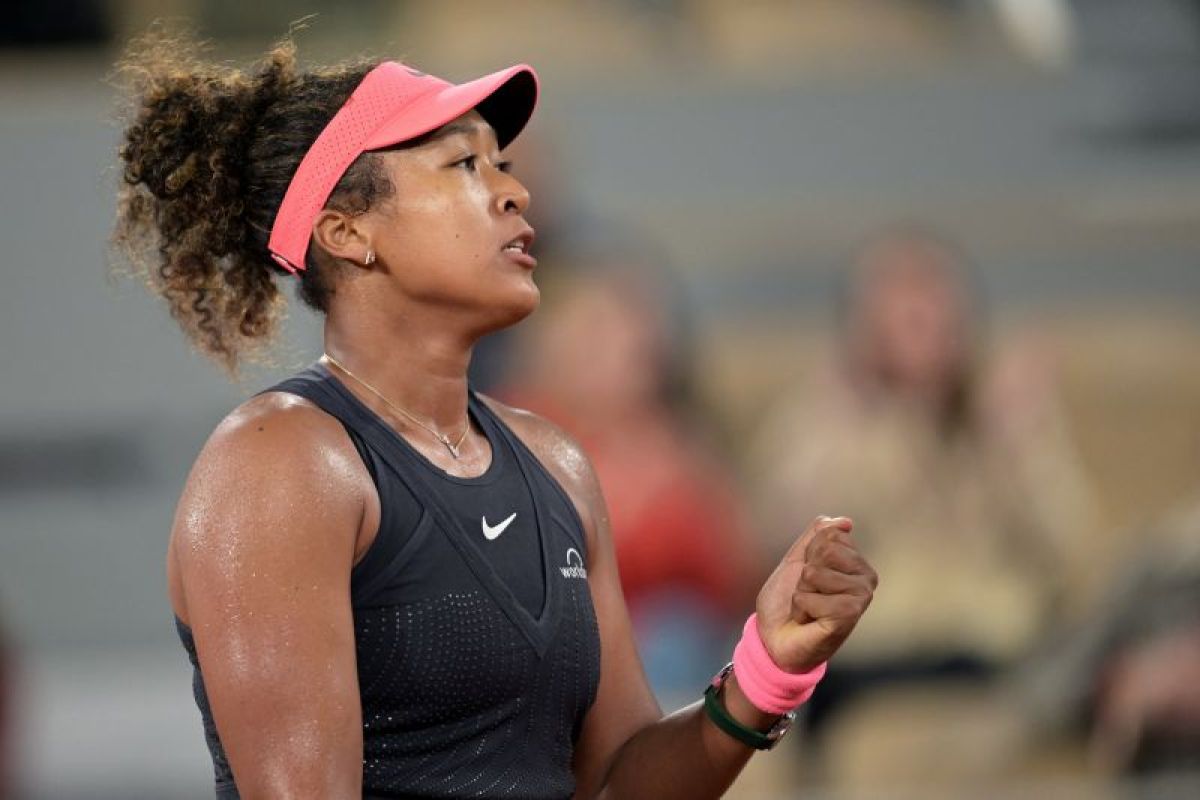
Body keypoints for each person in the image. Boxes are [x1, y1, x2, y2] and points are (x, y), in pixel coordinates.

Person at [112, 31, 877, 799]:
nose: (514, 192)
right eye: (464, 166)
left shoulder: (556, 465)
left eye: (502, 164)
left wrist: (766, 672)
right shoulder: (280, 462)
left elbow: (616, 783)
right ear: (348, 232)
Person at [748, 227, 1097, 741]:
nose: (916, 316)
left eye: (931, 293)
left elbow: (1070, 552)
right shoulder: (824, 416)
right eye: (895, 297)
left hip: (990, 652)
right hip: (870, 655)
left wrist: (1015, 444)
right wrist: (848, 422)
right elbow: (775, 544)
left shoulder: (1008, 417)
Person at [502, 257, 762, 703]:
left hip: (680, 651)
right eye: (597, 331)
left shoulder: (684, 441)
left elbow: (738, 574)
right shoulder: (512, 431)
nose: (628, 345)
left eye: (636, 328)